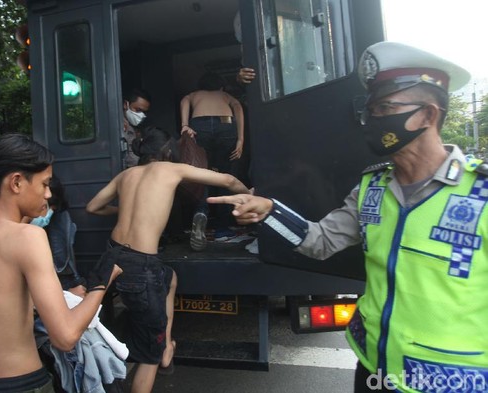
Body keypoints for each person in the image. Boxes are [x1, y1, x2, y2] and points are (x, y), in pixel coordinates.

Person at [208, 42, 488, 393]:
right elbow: (320, 242)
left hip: (453, 384)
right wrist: (270, 210)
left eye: (386, 107)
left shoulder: (480, 196)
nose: (372, 119)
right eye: (371, 109)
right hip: (373, 370)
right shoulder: (372, 189)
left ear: (429, 115)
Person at [0, 134, 122, 393]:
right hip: (21, 385)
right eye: (44, 183)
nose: (48, 194)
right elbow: (65, 337)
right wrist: (101, 284)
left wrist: (9, 314)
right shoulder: (28, 236)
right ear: (16, 182)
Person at [86, 127, 251, 393]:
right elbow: (230, 180)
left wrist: (127, 208)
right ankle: (159, 353)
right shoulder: (172, 169)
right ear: (167, 151)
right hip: (141, 265)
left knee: (170, 278)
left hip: (113, 257)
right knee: (148, 357)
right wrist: (250, 196)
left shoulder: (125, 175)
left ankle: (166, 346)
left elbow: (92, 207)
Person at [180, 71, 246, 246]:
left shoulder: (194, 95)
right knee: (225, 177)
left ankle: (201, 213)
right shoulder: (225, 95)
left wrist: (185, 125)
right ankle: (222, 229)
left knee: (202, 174)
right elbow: (238, 106)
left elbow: (184, 100)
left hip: (199, 126)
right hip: (226, 125)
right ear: (221, 86)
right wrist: (240, 139)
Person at [122, 88, 152, 168]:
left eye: (144, 112)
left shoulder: (136, 128)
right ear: (126, 104)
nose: (141, 115)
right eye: (138, 110)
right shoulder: (118, 127)